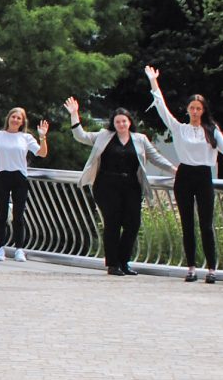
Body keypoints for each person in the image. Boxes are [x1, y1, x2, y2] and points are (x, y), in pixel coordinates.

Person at [145, 67, 223, 283]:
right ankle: (191, 268)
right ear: (188, 110)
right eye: (192, 108)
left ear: (204, 110)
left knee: (206, 224)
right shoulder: (180, 129)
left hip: (204, 175)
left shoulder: (212, 130)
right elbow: (162, 109)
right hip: (185, 175)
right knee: (188, 224)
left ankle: (211, 269)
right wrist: (154, 83)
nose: (195, 111)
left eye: (199, 108)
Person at [66, 100, 177, 275]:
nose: (121, 124)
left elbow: (156, 157)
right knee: (112, 223)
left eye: (124, 121)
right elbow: (81, 136)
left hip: (131, 185)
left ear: (129, 122)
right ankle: (113, 264)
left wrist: (174, 170)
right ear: (113, 123)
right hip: (107, 185)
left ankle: (124, 261)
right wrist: (74, 114)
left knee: (133, 224)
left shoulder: (140, 139)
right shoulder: (104, 135)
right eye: (118, 121)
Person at [0, 108, 51, 260]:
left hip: (19, 177)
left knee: (19, 215)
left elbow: (42, 153)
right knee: (1, 214)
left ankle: (19, 249)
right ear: (8, 118)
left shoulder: (26, 137)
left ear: (22, 122)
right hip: (2, 176)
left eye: (19, 118)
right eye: (13, 117)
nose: (15, 120)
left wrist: (43, 137)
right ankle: (0, 248)